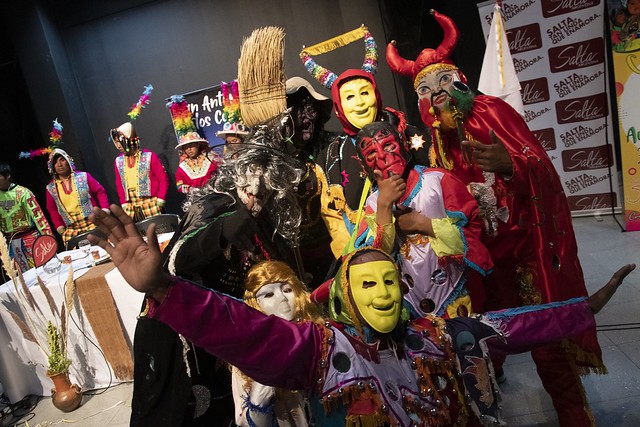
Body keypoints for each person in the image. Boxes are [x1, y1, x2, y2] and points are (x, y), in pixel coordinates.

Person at [85, 209, 635, 426]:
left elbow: (516, 327)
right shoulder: (320, 350)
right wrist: (166, 289)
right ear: (347, 296)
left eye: (390, 281)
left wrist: (581, 310)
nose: (384, 293)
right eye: (368, 284)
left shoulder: (440, 334)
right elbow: (243, 330)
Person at [386, 9, 605, 424]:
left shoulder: (492, 112)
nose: (438, 94)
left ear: (460, 79)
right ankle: (489, 389)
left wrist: (511, 165)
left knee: (546, 339)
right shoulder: (434, 141)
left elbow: (542, 169)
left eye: (444, 82)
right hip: (482, 258)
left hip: (524, 251)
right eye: (426, 90)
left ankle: (573, 414)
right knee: (485, 334)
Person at [301, 27, 430, 259]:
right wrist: (354, 262)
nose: (359, 103)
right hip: (370, 261)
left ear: (376, 95)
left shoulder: (407, 134)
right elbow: (336, 223)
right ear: (339, 106)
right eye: (349, 97)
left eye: (364, 93)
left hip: (425, 251)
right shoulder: (332, 156)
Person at [353, 119, 493, 318]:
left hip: (457, 299)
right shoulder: (373, 204)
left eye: (388, 145)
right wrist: (384, 206)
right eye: (371, 153)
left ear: (403, 143)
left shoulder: (437, 181)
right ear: (362, 164)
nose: (383, 156)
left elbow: (473, 237)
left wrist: (422, 224)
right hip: (409, 307)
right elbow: (375, 261)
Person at [231, 260, 322, 426]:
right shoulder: (246, 357)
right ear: (255, 303)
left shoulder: (322, 336)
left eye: (287, 290)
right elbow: (247, 422)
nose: (282, 298)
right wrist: (263, 382)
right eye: (268, 295)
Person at [284, 76, 338, 286]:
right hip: (294, 259)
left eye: (310, 110)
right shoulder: (275, 158)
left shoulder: (334, 148)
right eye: (296, 111)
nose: (305, 119)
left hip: (335, 250)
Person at [44, 149, 110, 245]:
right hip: (72, 229)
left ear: (68, 161)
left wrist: (104, 210)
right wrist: (59, 225)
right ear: (52, 166)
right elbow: (52, 209)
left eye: (62, 160)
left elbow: (100, 191)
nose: (59, 165)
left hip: (93, 222)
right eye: (55, 162)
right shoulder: (51, 188)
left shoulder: (83, 177)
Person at [111, 121, 170, 222]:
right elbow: (119, 184)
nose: (118, 146)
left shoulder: (149, 156)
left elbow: (163, 179)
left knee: (158, 228)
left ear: (128, 140)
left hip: (151, 202)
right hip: (132, 205)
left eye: (119, 141)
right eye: (116, 142)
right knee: (138, 230)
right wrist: (124, 203)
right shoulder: (118, 161)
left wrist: (160, 199)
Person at [0, 162, 53, 271]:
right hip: (9, 242)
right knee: (19, 276)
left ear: (8, 176)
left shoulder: (23, 193)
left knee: (39, 271)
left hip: (30, 238)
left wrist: (49, 239)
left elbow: (39, 218)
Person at [167, 95, 220, 194]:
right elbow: (179, 185)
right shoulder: (182, 167)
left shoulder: (212, 158)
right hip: (195, 199)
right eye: (186, 147)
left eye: (191, 146)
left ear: (198, 144)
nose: (189, 149)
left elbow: (222, 173)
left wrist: (214, 185)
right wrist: (191, 190)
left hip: (216, 195)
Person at [216, 80, 251, 158]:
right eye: (229, 142)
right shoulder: (227, 158)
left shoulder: (252, 154)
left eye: (234, 141)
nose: (232, 145)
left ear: (243, 139)